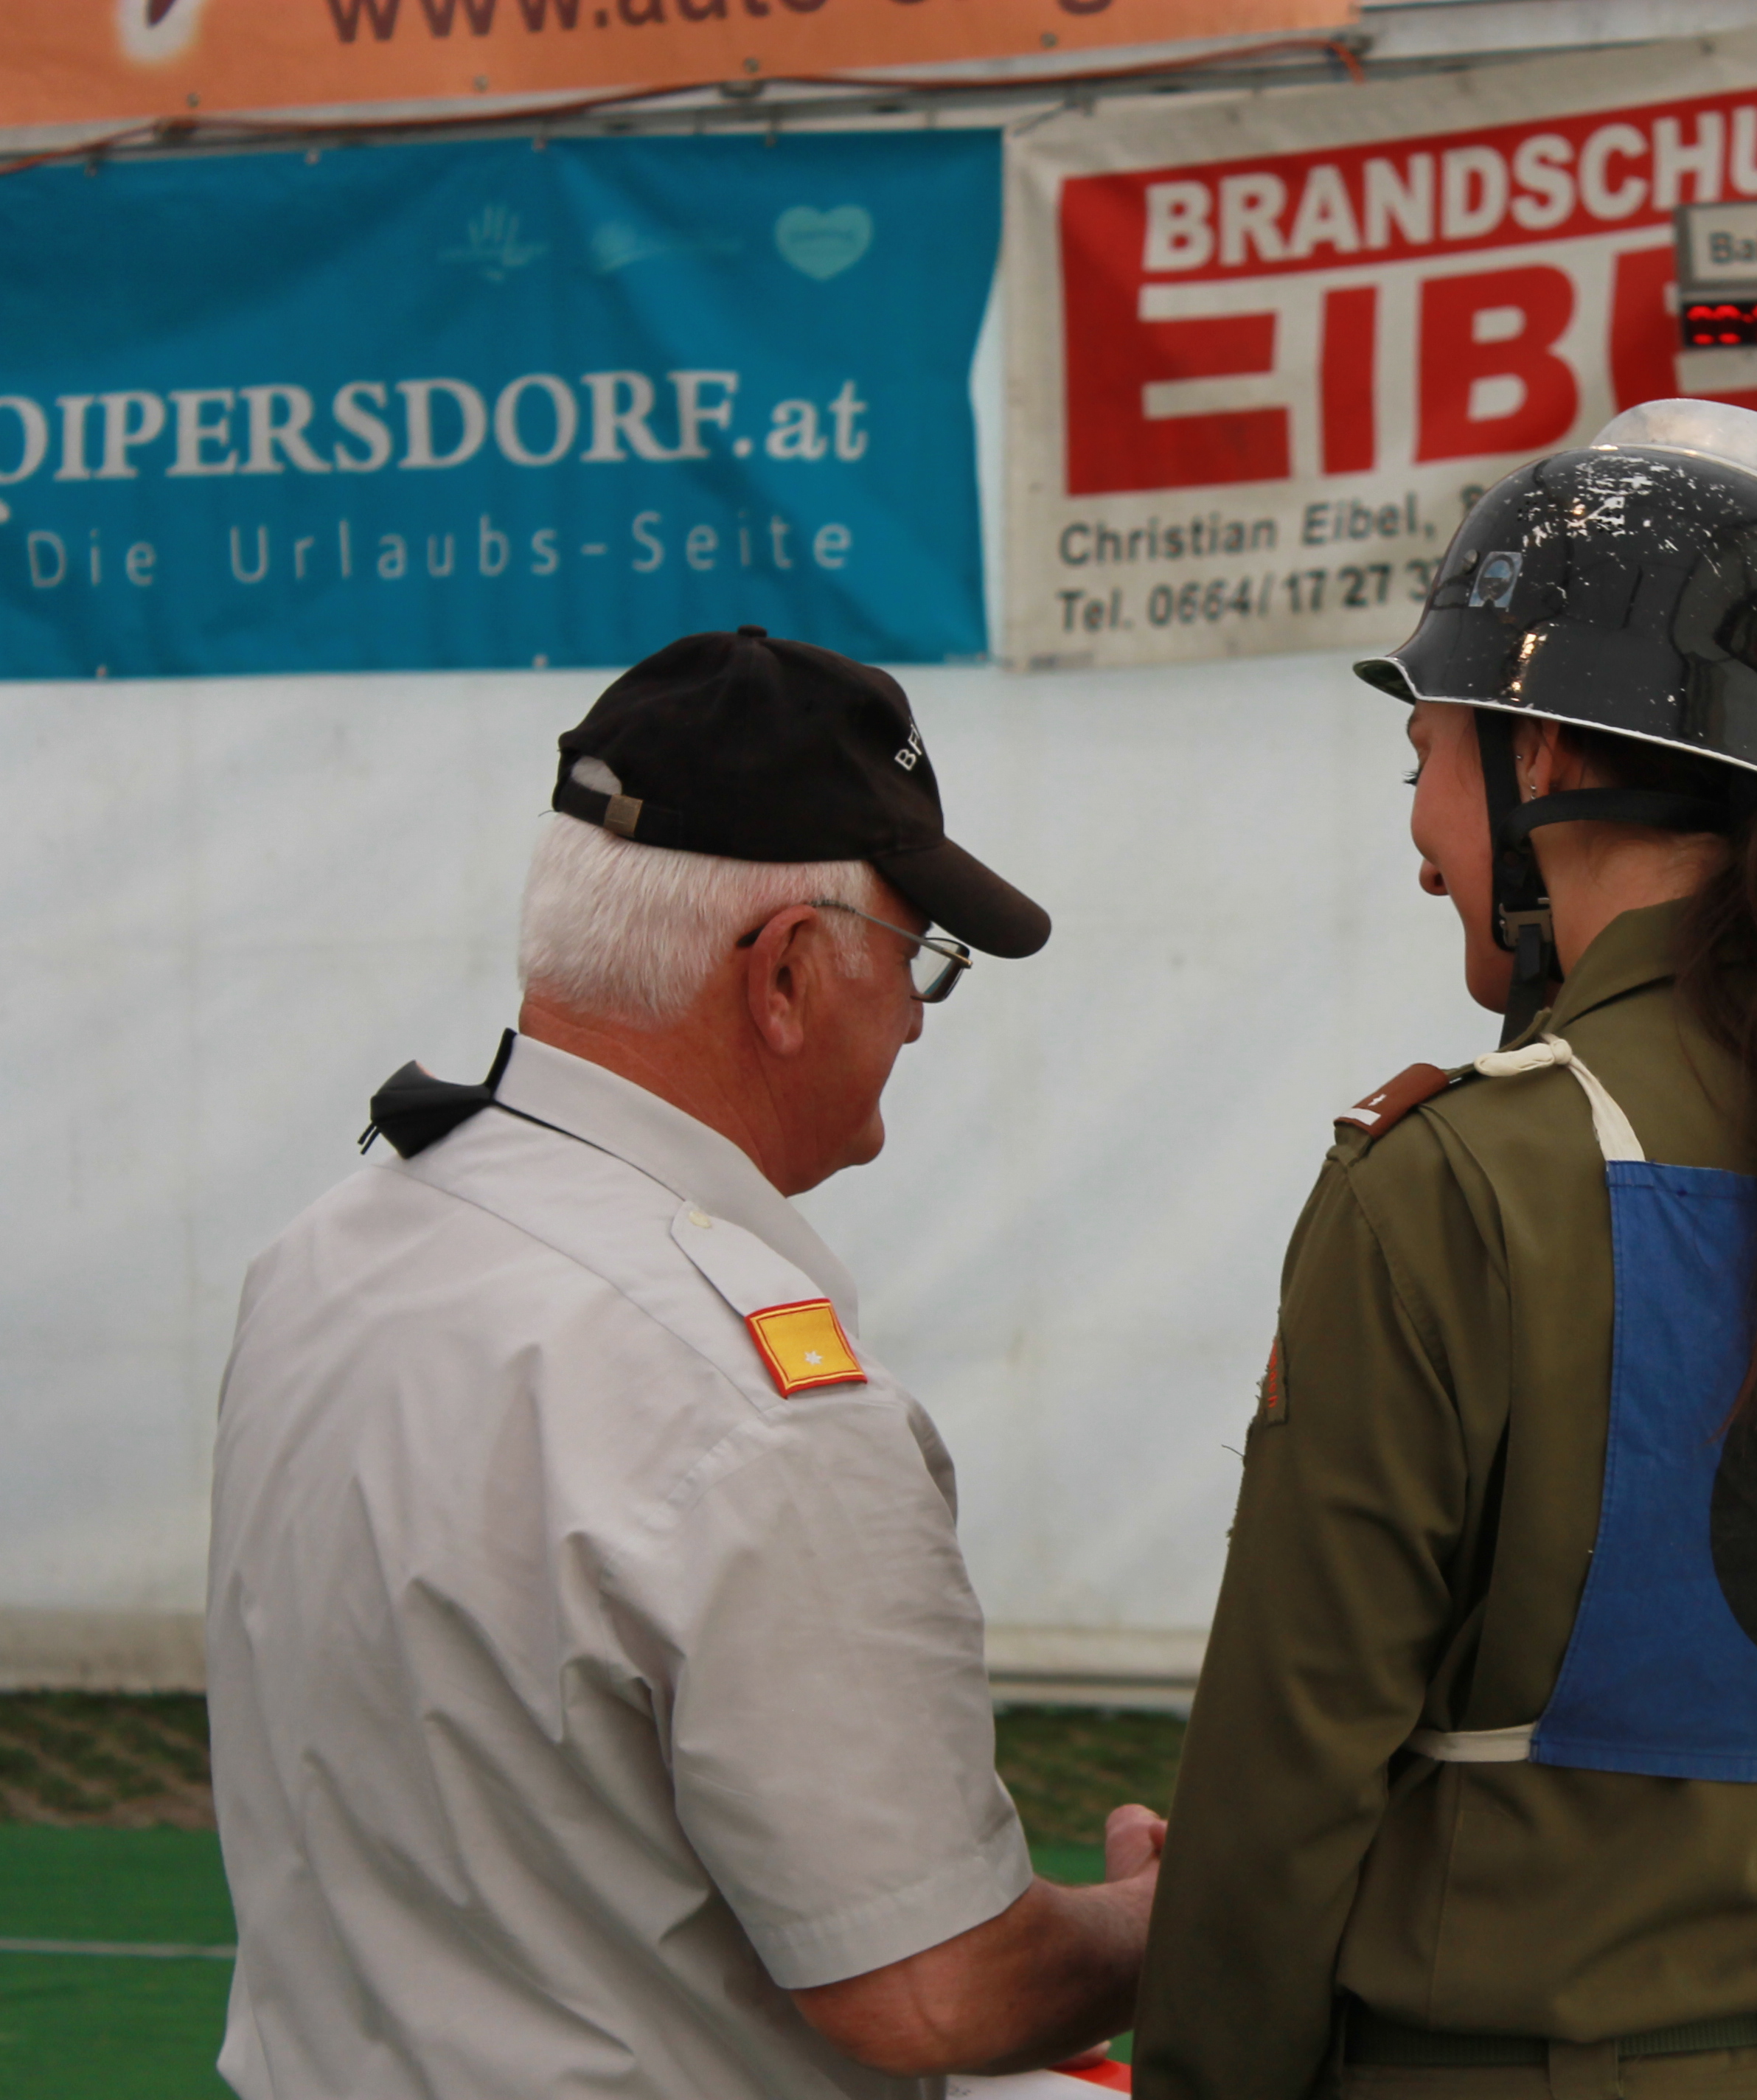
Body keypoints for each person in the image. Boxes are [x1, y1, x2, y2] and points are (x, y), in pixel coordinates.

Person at [1133, 403, 1757, 2100]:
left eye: (1423, 758)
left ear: (1541, 754)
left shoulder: (1452, 1186)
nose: (1417, 838)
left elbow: (1288, 1777)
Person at [206, 628, 1157, 2099]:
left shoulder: (329, 1253)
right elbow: (935, 1994)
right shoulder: (759, 1402)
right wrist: (1176, 1915)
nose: (916, 1016)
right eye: (920, 962)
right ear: (785, 974)